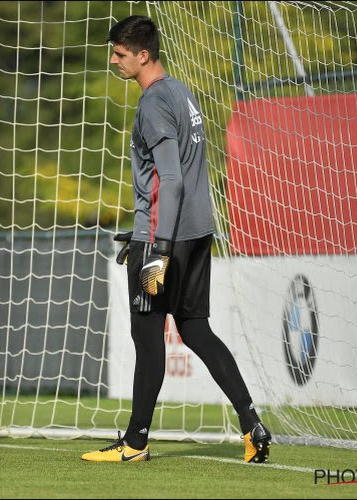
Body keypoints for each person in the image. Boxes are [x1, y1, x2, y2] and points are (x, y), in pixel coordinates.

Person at [81, 16, 271, 463]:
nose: (114, 61)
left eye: (120, 54)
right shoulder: (182, 93)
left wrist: (157, 248)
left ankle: (134, 444)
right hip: (197, 233)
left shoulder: (151, 104)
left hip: (163, 241)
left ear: (142, 55)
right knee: (196, 330)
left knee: (147, 339)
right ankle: (252, 424)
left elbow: (170, 178)